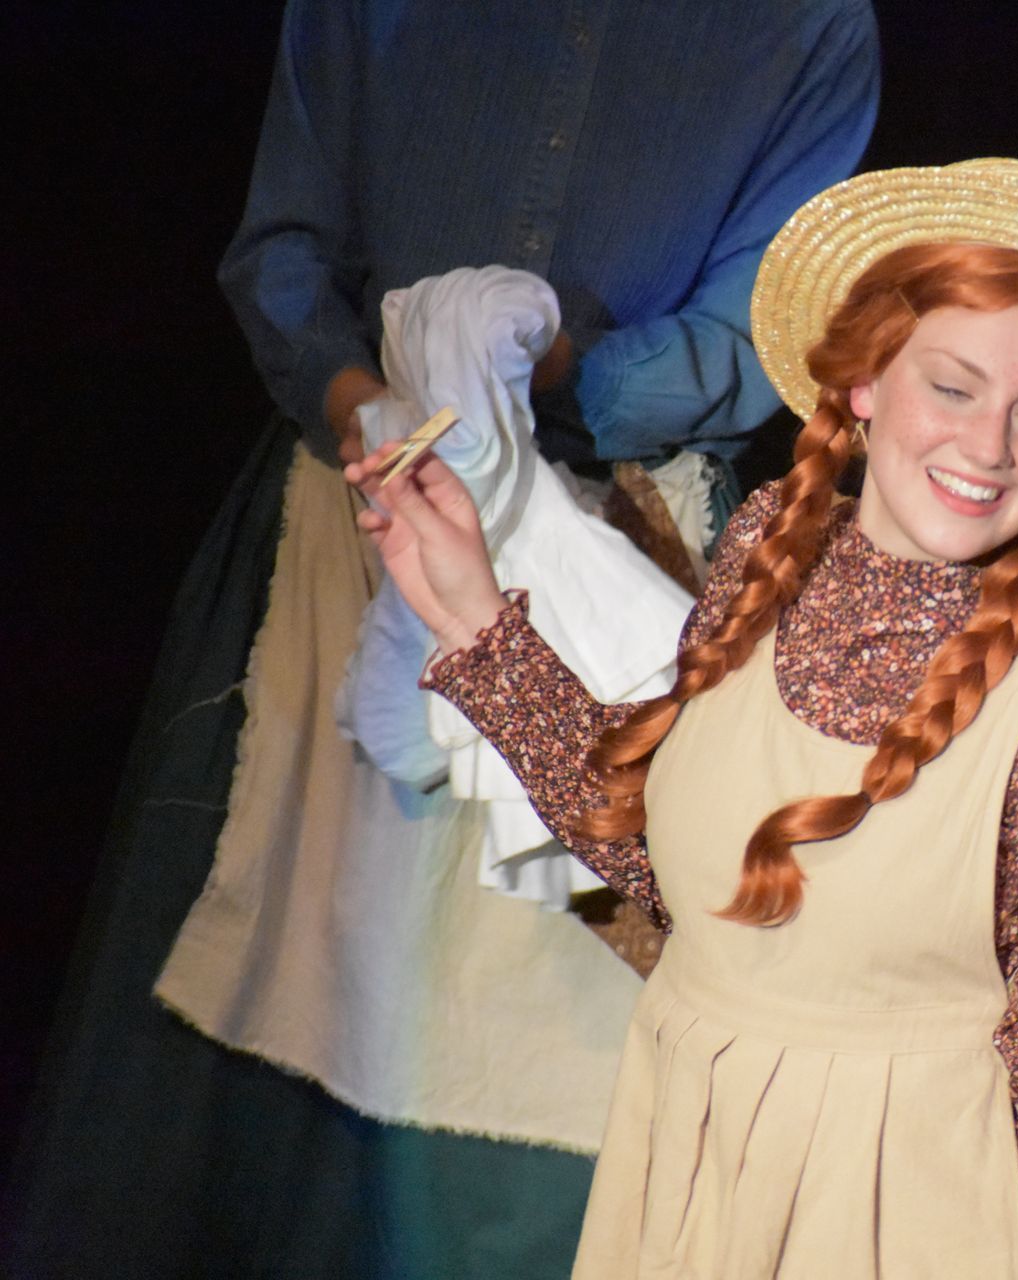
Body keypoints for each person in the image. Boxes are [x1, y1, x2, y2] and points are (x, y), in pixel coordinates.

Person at [5, 5, 876, 1278]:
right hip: (353, 509)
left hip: (615, 549)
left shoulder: (804, 25)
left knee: (541, 1043)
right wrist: (380, 403)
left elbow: (772, 330)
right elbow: (282, 247)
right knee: (275, 974)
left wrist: (550, 379)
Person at [346, 159, 1018, 1278]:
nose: (991, 447)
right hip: (694, 1175)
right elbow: (668, 865)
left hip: (915, 1217)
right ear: (865, 383)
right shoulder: (775, 542)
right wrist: (472, 612)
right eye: (953, 388)